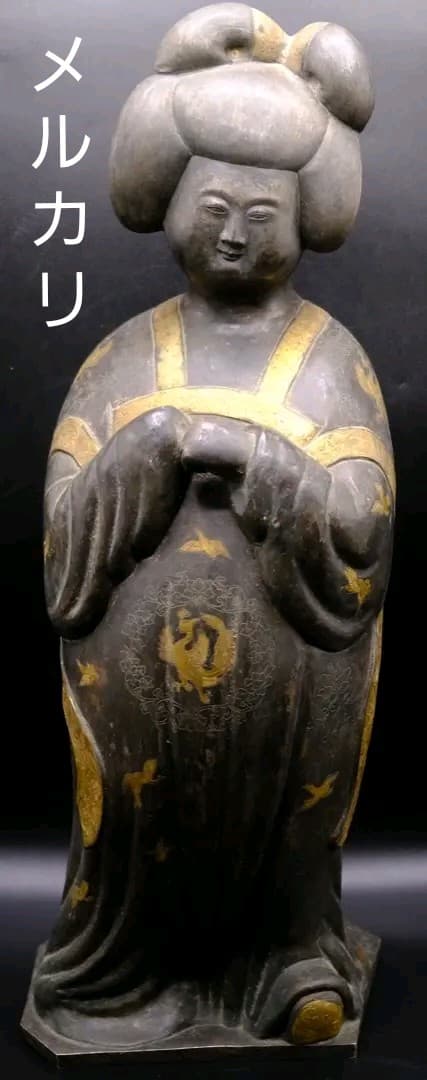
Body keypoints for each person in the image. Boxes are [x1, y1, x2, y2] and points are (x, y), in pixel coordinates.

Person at [28, 4, 394, 1054]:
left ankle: (289, 962)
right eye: (215, 205)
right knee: (138, 825)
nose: (235, 232)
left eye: (262, 212)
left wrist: (250, 456)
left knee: (286, 823)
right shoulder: (119, 359)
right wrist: (145, 452)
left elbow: (360, 531)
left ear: (305, 217)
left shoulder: (330, 361)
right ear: (172, 203)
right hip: (137, 703)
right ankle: (122, 973)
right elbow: (62, 541)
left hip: (289, 698)